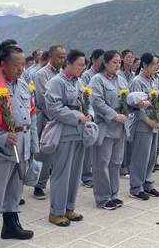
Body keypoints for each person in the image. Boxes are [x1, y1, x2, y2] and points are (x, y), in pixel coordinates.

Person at [0, 46, 38, 248]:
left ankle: (11, 225)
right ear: (3, 64)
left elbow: (33, 116)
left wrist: (34, 144)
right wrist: (1, 137)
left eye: (23, 64)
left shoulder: (23, 85)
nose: (21, 68)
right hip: (2, 147)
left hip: (23, 142)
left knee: (15, 188)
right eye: (16, 65)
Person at [45, 49, 91, 226]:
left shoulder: (79, 82)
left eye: (83, 65)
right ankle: (55, 211)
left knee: (74, 173)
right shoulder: (57, 81)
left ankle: (68, 208)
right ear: (68, 63)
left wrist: (89, 114)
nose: (81, 68)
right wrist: (74, 116)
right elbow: (54, 107)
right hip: (64, 132)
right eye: (79, 65)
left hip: (79, 132)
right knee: (61, 173)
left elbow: (88, 101)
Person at [88, 50, 126, 209]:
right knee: (101, 163)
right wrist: (113, 115)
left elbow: (126, 99)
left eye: (119, 62)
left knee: (115, 162)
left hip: (120, 126)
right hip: (105, 125)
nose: (118, 65)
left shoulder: (121, 80)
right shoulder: (97, 79)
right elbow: (96, 101)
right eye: (114, 62)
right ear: (105, 62)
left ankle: (113, 193)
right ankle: (103, 197)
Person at [32, 45, 66, 200]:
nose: (62, 60)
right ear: (51, 57)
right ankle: (39, 185)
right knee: (45, 155)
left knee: (59, 155)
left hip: (62, 118)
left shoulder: (63, 74)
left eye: (64, 57)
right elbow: (43, 100)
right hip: (47, 119)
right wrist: (57, 116)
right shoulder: (42, 74)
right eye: (59, 57)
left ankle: (57, 184)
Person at [127, 52, 159, 200]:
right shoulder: (137, 81)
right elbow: (135, 106)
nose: (156, 67)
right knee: (140, 156)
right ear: (145, 64)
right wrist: (147, 120)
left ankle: (148, 183)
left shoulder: (153, 80)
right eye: (154, 64)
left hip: (154, 122)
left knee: (151, 156)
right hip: (143, 123)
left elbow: (155, 100)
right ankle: (136, 187)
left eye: (157, 64)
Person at [80, 49, 104, 189]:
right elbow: (86, 98)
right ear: (93, 60)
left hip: (99, 116)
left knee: (98, 149)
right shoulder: (86, 76)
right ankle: (86, 175)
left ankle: (95, 174)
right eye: (100, 59)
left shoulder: (102, 76)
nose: (101, 63)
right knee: (88, 149)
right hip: (89, 117)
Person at [118, 49, 135, 177]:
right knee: (122, 141)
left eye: (132, 57)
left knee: (130, 140)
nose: (130, 59)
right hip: (123, 110)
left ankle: (128, 165)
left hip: (132, 110)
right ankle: (122, 167)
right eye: (128, 57)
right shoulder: (119, 74)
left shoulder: (133, 75)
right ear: (122, 59)